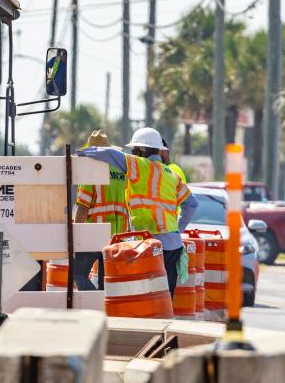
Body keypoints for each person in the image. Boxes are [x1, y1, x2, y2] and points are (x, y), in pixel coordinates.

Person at [78, 127, 197, 296]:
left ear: (140, 151)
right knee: (165, 298)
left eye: (134, 150)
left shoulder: (138, 165)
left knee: (146, 297)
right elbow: (191, 204)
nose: (133, 153)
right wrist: (179, 229)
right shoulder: (171, 174)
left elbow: (111, 155)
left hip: (149, 245)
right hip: (173, 245)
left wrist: (83, 153)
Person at [73, 130, 130, 290]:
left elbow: (83, 207)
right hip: (117, 234)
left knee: (78, 274)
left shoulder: (90, 171)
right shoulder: (121, 170)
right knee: (106, 281)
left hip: (95, 232)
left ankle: (96, 309)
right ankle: (105, 310)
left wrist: (77, 234)